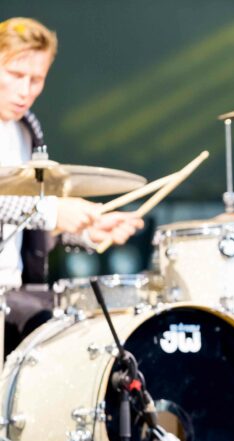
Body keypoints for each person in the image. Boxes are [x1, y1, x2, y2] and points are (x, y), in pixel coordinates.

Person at [0, 17, 143, 351]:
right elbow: (35, 210)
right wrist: (52, 211)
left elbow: (24, 223)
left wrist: (86, 230)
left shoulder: (26, 129)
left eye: (37, 79)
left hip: (14, 292)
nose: (25, 90)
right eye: (15, 75)